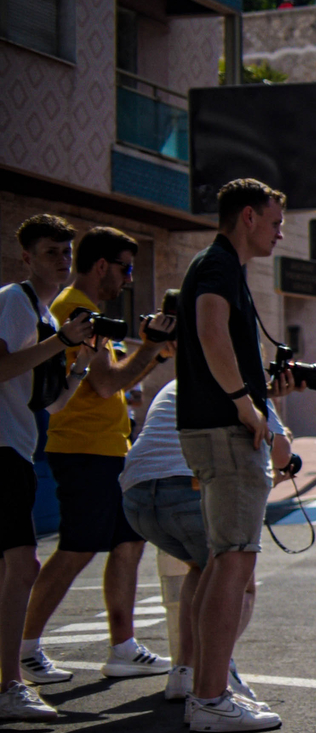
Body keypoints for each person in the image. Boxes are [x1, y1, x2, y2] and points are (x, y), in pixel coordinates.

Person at [17, 225, 178, 688]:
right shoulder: (74, 310)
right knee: (77, 547)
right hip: (82, 449)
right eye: (126, 268)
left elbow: (117, 381)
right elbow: (107, 383)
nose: (129, 278)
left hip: (109, 449)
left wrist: (150, 352)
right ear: (102, 265)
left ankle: (124, 648)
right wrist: (149, 346)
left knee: (129, 544)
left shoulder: (92, 314)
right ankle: (24, 648)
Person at [175, 179, 291, 733]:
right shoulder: (218, 265)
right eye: (274, 222)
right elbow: (209, 331)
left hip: (212, 427)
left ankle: (207, 688)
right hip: (224, 429)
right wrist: (247, 406)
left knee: (225, 559)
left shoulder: (218, 265)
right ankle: (210, 697)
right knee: (235, 560)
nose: (279, 232)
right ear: (247, 216)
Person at [122, 378, 287, 706]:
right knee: (239, 581)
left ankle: (184, 673)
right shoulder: (241, 385)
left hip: (136, 497)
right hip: (188, 489)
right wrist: (274, 407)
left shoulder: (175, 383)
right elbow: (281, 455)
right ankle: (218, 679)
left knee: (203, 567)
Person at [1, 216, 95, 721]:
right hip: (1, 448)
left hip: (18, 446)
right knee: (22, 565)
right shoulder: (13, 301)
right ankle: (10, 684)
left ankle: (8, 679)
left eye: (66, 252)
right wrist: (61, 342)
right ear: (27, 257)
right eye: (51, 252)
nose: (61, 261)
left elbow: (54, 405)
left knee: (14, 568)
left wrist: (78, 358)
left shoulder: (42, 314)